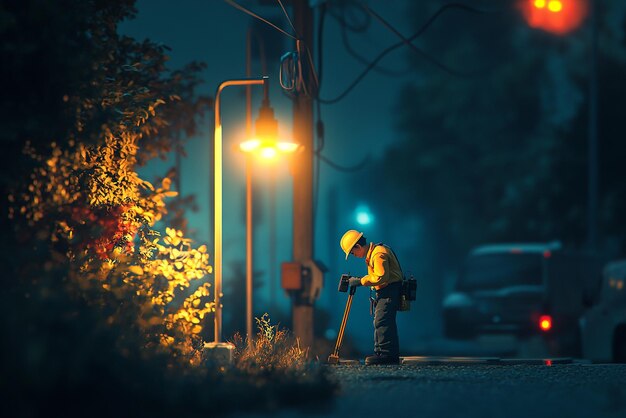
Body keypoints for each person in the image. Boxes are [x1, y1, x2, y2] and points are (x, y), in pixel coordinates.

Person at [340, 229, 403, 365]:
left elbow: (381, 276)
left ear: (357, 246)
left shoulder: (378, 254)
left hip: (389, 291)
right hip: (385, 291)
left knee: (383, 321)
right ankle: (380, 352)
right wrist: (360, 280)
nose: (354, 255)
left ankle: (387, 355)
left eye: (352, 252)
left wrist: (360, 281)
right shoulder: (373, 253)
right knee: (380, 321)